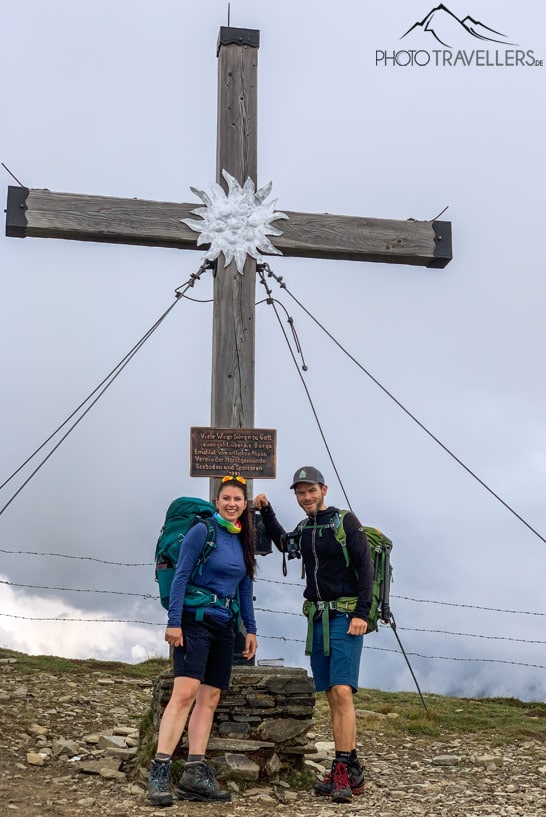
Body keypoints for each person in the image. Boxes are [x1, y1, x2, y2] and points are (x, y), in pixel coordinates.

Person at [254, 466, 372, 804]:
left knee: (342, 691)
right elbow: (283, 543)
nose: (306, 497)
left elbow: (365, 568)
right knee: (332, 696)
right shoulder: (306, 529)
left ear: (324, 489)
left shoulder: (344, 522)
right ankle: (351, 768)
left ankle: (342, 768)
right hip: (318, 617)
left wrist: (362, 614)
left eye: (311, 491)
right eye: (300, 493)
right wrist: (266, 510)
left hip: (347, 616)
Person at [148, 475, 257, 807]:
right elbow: (181, 574)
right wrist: (173, 621)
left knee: (209, 698)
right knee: (184, 694)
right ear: (217, 501)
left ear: (244, 504)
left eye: (238, 499)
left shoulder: (242, 539)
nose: (232, 503)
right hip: (194, 621)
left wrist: (249, 629)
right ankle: (159, 772)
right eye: (226, 498)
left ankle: (194, 774)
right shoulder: (202, 531)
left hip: (225, 626)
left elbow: (244, 588)